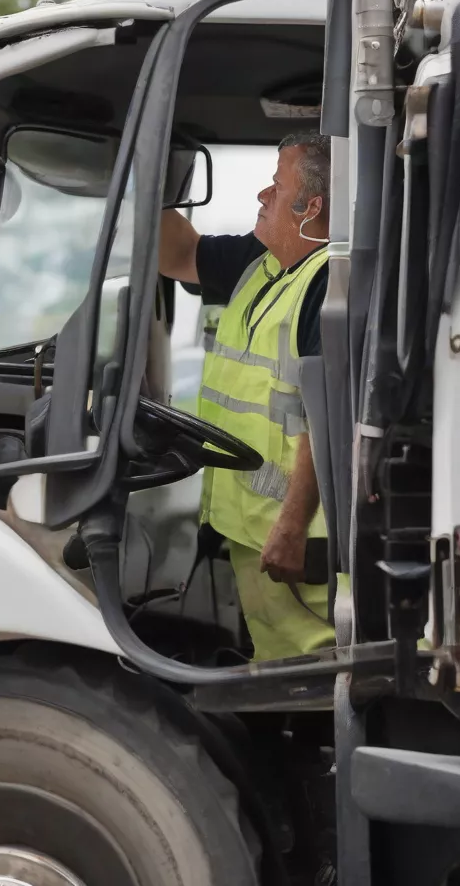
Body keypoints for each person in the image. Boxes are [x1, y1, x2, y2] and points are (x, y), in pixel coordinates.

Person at [159, 132, 341, 662]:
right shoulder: (258, 262)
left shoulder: (333, 284)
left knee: (317, 673)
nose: (263, 195)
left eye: (276, 186)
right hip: (252, 529)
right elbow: (177, 254)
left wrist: (291, 527)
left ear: (312, 207)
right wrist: (148, 173)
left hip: (299, 540)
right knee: (278, 665)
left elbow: (324, 418)